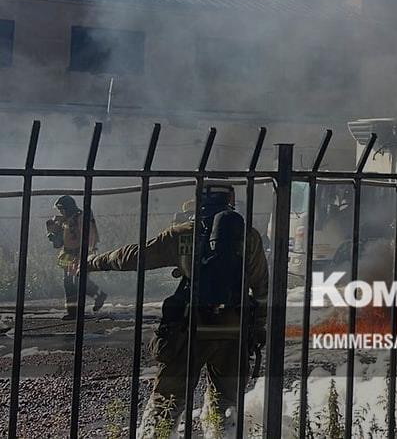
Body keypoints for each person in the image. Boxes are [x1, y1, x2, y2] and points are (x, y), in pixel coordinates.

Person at [86, 185, 268, 438]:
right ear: (230, 201)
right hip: (233, 329)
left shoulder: (183, 234)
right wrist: (258, 327)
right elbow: (261, 287)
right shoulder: (250, 237)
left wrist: (94, 262)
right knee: (226, 406)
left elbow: (134, 256)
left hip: (188, 328)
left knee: (166, 405)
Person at [45, 195, 106, 319]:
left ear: (68, 207)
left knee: (79, 282)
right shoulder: (65, 220)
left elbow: (90, 237)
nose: (61, 212)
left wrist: (86, 254)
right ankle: (72, 312)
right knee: (68, 283)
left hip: (81, 253)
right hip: (68, 254)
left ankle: (98, 295)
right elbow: (60, 242)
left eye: (62, 209)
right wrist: (53, 235)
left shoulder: (81, 218)